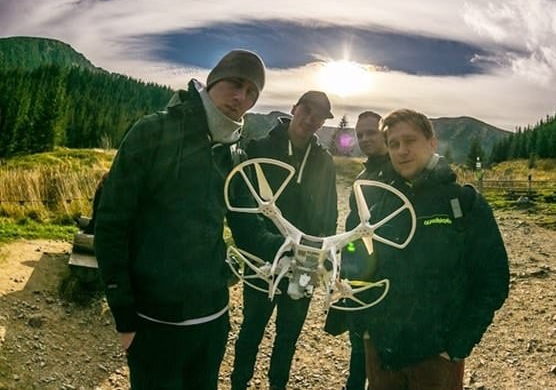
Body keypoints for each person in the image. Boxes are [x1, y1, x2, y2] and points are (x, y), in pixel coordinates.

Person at [95, 49, 281, 390]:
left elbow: (247, 228)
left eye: (252, 92)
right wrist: (124, 315)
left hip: (212, 320)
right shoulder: (153, 131)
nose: (242, 98)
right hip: (154, 320)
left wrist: (294, 250)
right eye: (236, 84)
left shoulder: (234, 151)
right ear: (213, 81)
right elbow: (110, 224)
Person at [361, 108, 509, 390]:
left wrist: (458, 345)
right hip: (382, 353)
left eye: (410, 140)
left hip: (436, 360)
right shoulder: (380, 205)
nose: (402, 150)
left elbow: (494, 281)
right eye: (394, 144)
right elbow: (361, 265)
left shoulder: (464, 204)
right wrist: (365, 329)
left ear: (432, 142)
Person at [231, 90, 338, 390]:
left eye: (319, 116)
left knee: (289, 334)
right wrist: (269, 246)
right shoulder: (259, 149)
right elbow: (243, 208)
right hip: (263, 259)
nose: (310, 119)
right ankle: (239, 383)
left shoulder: (324, 161)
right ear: (294, 108)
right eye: (306, 110)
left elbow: (329, 213)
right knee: (252, 327)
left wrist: (318, 256)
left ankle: (278, 384)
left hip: (304, 263)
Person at [325, 110, 393, 390]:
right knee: (357, 340)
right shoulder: (363, 175)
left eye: (371, 132)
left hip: (388, 272)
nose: (365, 138)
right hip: (360, 270)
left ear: (385, 134)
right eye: (360, 134)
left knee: (380, 345)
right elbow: (353, 224)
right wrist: (343, 259)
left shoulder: (398, 172)